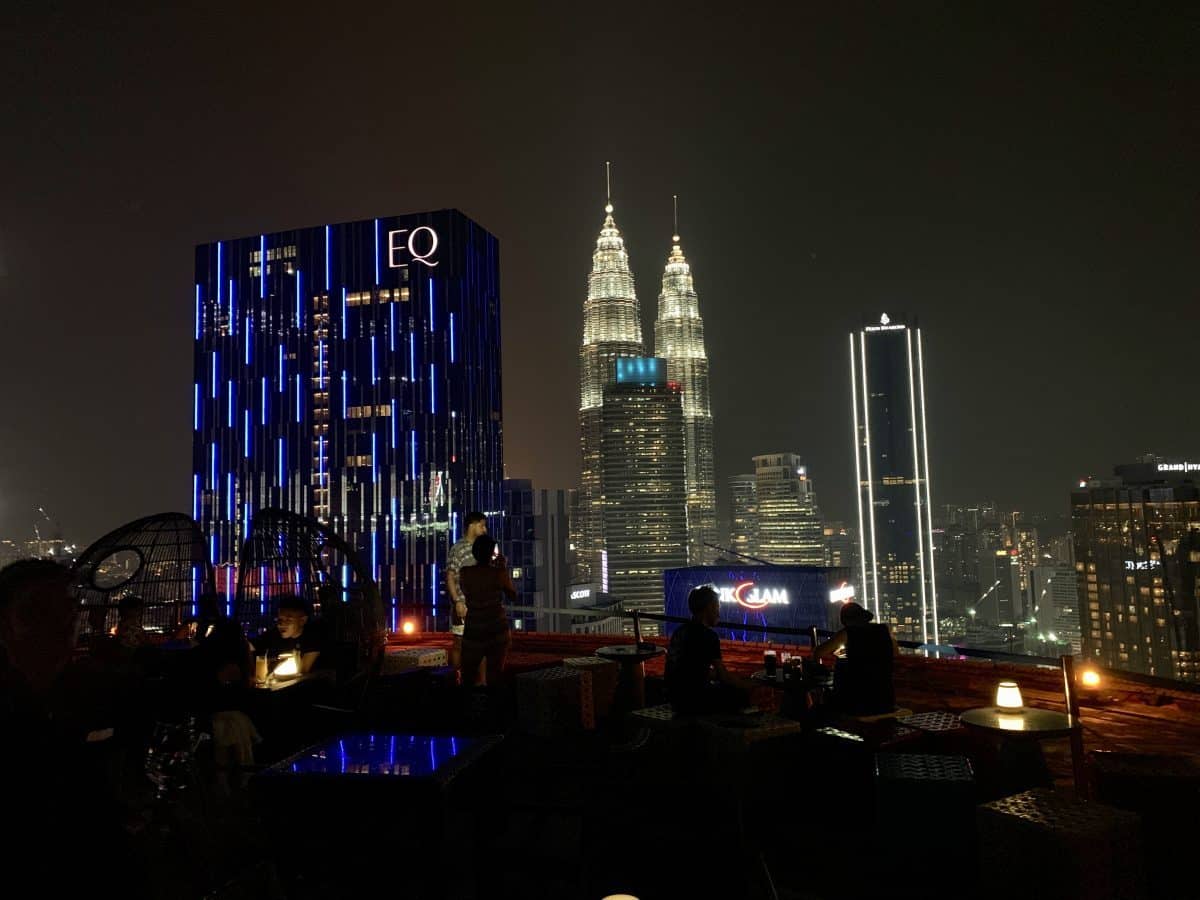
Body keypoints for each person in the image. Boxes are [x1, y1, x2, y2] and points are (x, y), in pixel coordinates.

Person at [0, 560, 136, 893]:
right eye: (38, 612)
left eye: (69, 608)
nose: (62, 623)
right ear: (5, 624)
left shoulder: (93, 692)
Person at [665, 585, 755, 714]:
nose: (718, 613)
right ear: (708, 608)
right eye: (717, 607)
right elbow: (724, 677)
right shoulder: (709, 636)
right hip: (694, 702)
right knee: (740, 695)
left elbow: (689, 669)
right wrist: (746, 685)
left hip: (675, 699)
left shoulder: (679, 632)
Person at [814, 601, 900, 715]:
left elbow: (818, 652)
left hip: (857, 702)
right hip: (886, 699)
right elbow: (895, 652)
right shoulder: (885, 630)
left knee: (818, 709)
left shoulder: (848, 633)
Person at [456, 534, 515, 687]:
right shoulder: (497, 574)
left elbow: (466, 590)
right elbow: (512, 595)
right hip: (497, 630)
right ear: (491, 554)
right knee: (495, 676)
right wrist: (502, 569)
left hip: (473, 629)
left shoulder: (465, 573)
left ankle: (467, 708)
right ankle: (493, 707)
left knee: (468, 676)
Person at [446, 511, 488, 671]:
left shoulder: (484, 548)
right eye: (482, 525)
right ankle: (457, 679)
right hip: (463, 605)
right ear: (472, 525)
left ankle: (481, 683)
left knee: (482, 644)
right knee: (459, 643)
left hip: (481, 605)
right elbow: (450, 576)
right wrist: (457, 601)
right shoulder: (458, 548)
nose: (484, 530)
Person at [249, 595, 324, 674]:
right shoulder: (274, 634)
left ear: (303, 620)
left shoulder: (313, 638)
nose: (281, 624)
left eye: (288, 619)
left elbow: (302, 672)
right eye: (280, 619)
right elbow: (249, 645)